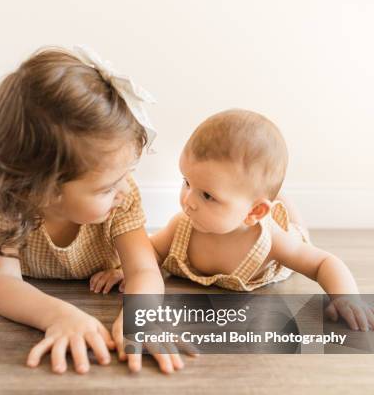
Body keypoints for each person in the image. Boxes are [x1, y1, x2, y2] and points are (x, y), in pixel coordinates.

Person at [0, 45, 186, 375]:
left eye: (127, 175)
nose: (123, 189)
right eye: (107, 186)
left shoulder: (121, 201)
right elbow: (0, 282)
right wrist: (59, 315)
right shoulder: (6, 201)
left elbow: (143, 271)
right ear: (44, 188)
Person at [109, 109, 374, 332]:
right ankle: (270, 196)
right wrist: (126, 269)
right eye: (186, 182)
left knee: (297, 230)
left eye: (207, 195)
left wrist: (346, 298)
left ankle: (281, 199)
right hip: (254, 209)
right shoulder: (182, 226)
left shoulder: (271, 242)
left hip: (281, 235)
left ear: (254, 213)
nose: (188, 200)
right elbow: (150, 252)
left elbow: (323, 263)